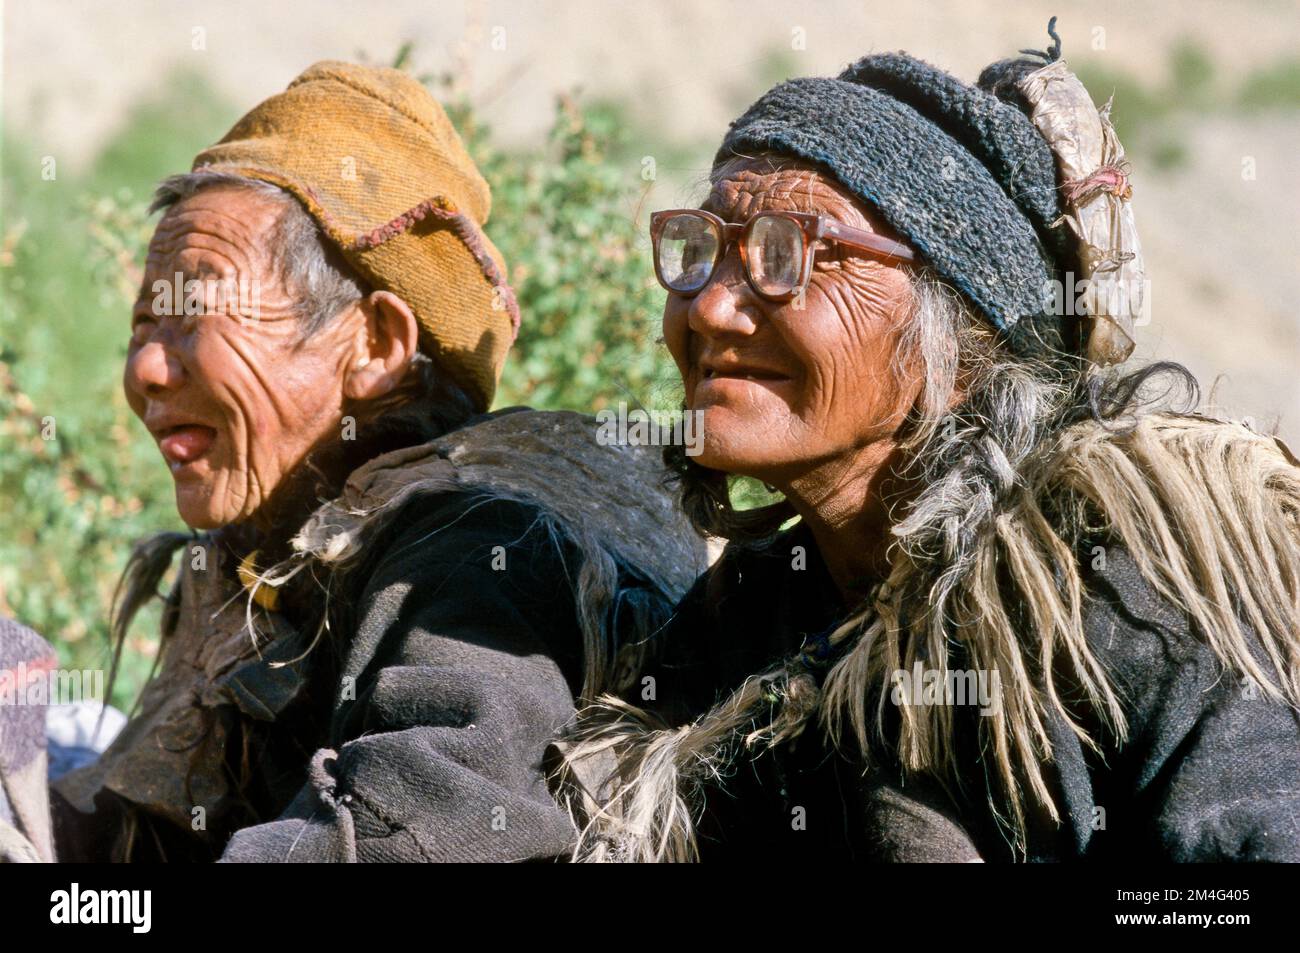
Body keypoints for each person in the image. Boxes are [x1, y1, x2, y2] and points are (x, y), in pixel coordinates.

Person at [556, 25, 1300, 862]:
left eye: (785, 256)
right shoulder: (752, 621)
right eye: (703, 250)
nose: (711, 308)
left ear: (956, 350)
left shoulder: (1130, 588)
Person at [48, 61, 703, 862]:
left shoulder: (479, 547)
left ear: (378, 346)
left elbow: (408, 837)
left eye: (195, 313)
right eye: (146, 322)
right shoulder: (256, 555)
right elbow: (136, 839)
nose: (146, 369)